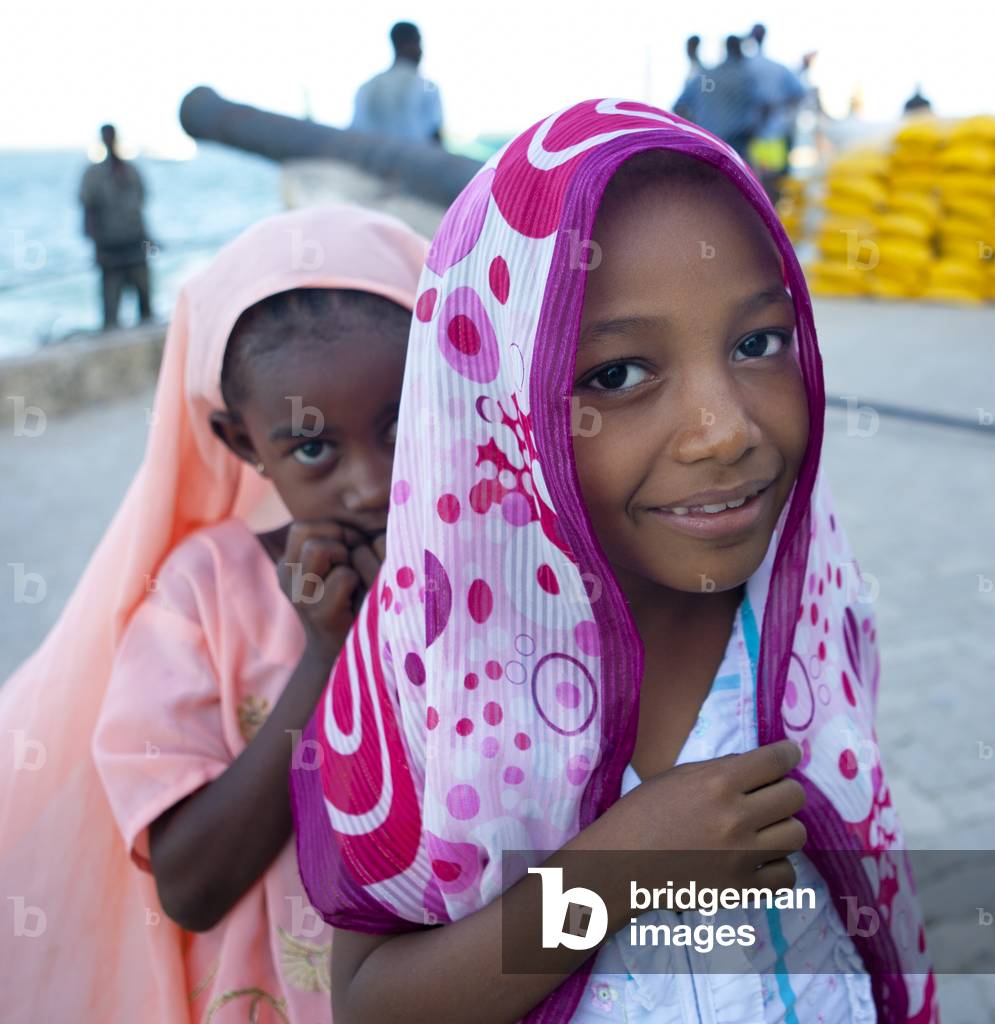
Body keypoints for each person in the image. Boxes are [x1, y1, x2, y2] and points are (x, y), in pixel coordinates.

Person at [289, 101, 939, 1023]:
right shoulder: (423, 671)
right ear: (499, 409)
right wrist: (613, 873)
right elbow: (368, 1003)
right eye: (617, 375)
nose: (725, 432)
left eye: (759, 344)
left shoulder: (810, 608)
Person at [0, 204, 427, 1023]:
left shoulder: (493, 560)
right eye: (313, 447)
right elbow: (192, 885)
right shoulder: (199, 598)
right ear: (241, 443)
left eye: (400, 421)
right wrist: (324, 660)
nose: (371, 484)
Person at [78, 123, 153, 329]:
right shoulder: (93, 175)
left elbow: (139, 210)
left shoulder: (131, 172)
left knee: (146, 304)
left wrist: (149, 243)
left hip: (136, 245)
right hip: (110, 250)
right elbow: (87, 215)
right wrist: (97, 249)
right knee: (111, 309)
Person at [674, 36, 766, 160]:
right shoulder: (746, 78)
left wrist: (693, 130)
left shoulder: (705, 76)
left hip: (706, 144)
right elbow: (762, 108)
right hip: (736, 147)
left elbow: (679, 107)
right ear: (740, 51)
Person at [351, 21, 443, 145]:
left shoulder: (367, 87)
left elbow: (356, 132)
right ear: (409, 44)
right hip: (413, 161)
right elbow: (435, 137)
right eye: (418, 43)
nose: (421, 51)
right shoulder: (428, 87)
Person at [746, 23, 805, 189]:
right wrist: (781, 108)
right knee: (773, 187)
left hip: (750, 136)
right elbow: (798, 93)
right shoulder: (778, 68)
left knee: (752, 184)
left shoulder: (744, 67)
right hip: (775, 134)